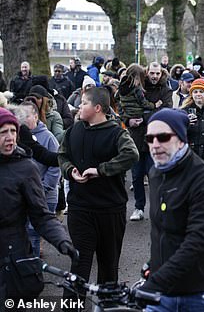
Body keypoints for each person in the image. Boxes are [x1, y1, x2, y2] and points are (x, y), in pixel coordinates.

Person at [140, 109, 204, 311]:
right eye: (149, 138)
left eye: (162, 137)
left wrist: (156, 282)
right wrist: (152, 264)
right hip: (163, 289)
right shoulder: (155, 173)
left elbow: (198, 239)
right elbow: (162, 231)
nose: (155, 144)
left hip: (201, 292)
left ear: (181, 139)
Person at [59, 87, 139, 303]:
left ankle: (108, 305)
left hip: (109, 209)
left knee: (108, 265)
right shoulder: (73, 130)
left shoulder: (117, 132)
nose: (79, 106)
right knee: (79, 261)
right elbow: (62, 155)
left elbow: (131, 154)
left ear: (97, 108)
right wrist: (70, 171)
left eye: (84, 103)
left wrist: (101, 169)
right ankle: (71, 307)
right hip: (79, 208)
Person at [0, 107, 77, 305]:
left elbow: (41, 215)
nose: (10, 137)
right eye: (3, 132)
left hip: (14, 258)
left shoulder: (25, 168)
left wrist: (62, 241)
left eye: (13, 131)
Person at [127, 63, 173, 222]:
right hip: (137, 138)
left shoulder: (166, 90)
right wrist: (128, 120)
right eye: (152, 73)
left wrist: (144, 117)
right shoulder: (138, 87)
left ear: (161, 74)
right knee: (136, 176)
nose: (154, 76)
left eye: (157, 73)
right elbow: (129, 108)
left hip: (156, 140)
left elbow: (165, 112)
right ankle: (139, 207)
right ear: (147, 73)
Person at [16, 102, 60, 256]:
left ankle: (33, 270)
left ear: (36, 115)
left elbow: (55, 166)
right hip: (23, 195)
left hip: (44, 194)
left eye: (25, 116)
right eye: (19, 116)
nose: (22, 120)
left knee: (34, 234)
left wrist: (41, 187)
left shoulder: (48, 137)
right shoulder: (16, 137)